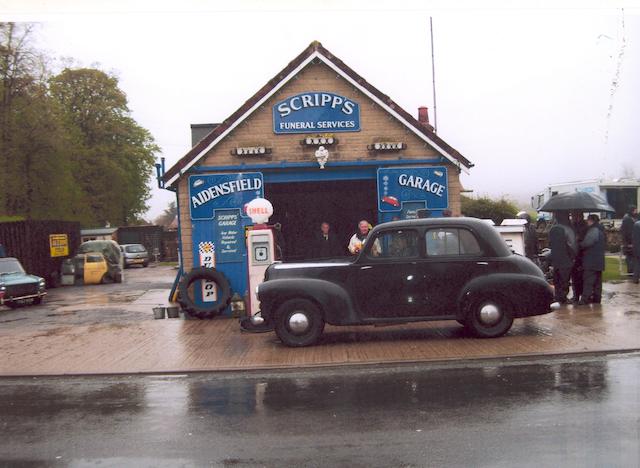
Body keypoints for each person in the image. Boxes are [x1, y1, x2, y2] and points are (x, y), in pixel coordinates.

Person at [548, 211, 577, 304]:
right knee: (565, 280)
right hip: (566, 259)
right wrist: (574, 256)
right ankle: (563, 297)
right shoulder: (568, 230)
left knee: (557, 279)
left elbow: (550, 243)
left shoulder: (552, 229)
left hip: (555, 259)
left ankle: (557, 296)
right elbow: (572, 245)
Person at [579, 214, 606, 305]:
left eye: (588, 220)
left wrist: (580, 243)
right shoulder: (602, 230)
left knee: (588, 280)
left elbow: (587, 243)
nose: (587, 222)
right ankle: (597, 298)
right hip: (599, 261)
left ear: (592, 221)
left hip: (591, 260)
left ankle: (585, 299)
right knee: (598, 281)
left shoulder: (593, 230)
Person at [570, 210, 588, 302]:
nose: (572, 217)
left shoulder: (583, 226)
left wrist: (578, 238)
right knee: (575, 276)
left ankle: (580, 295)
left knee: (580, 276)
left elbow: (581, 238)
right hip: (575, 253)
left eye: (574, 215)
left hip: (581, 254)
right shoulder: (573, 225)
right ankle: (576, 295)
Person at [621, 205, 637, 275]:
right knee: (630, 257)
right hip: (629, 242)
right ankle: (631, 272)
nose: (636, 211)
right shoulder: (628, 219)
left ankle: (632, 271)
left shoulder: (629, 218)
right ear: (632, 210)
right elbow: (629, 232)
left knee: (631, 257)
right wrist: (630, 242)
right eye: (635, 210)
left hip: (629, 241)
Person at [632, 218, 640, 285]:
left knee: (637, 264)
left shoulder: (636, 224)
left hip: (636, 247)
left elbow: (634, 237)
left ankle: (635, 278)